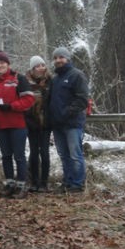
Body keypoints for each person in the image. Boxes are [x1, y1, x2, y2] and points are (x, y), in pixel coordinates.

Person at [0, 51, 35, 199]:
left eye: (2, 63)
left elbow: (29, 100)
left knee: (19, 156)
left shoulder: (18, 79)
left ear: (8, 64)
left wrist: (12, 106)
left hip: (17, 124)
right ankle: (10, 184)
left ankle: (21, 185)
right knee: (6, 155)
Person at [46, 47, 89, 194]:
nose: (58, 60)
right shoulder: (55, 79)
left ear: (68, 59)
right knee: (64, 155)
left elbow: (82, 100)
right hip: (57, 125)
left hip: (72, 124)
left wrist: (66, 112)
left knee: (75, 154)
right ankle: (67, 182)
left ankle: (77, 184)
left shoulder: (77, 75)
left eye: (61, 57)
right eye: (56, 58)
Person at [25, 56, 52, 192]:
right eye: (37, 66)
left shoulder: (50, 81)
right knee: (34, 152)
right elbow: (24, 103)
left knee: (45, 153)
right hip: (31, 123)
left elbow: (52, 102)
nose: (41, 68)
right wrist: (29, 121)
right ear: (32, 69)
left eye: (43, 65)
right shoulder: (25, 82)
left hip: (46, 123)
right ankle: (34, 182)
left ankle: (44, 183)